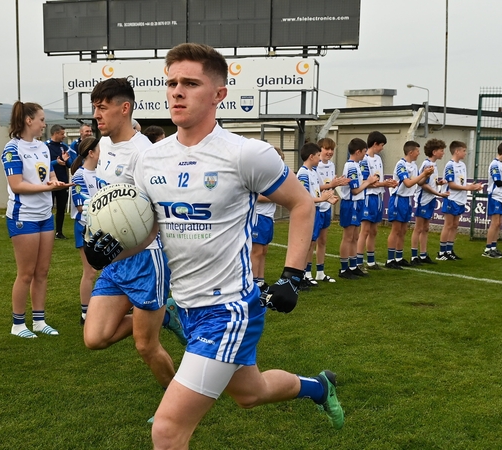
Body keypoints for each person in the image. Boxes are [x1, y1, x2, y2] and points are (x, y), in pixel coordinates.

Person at [82, 44, 344, 448]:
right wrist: (113, 249)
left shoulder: (246, 154)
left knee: (167, 430)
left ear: (219, 94)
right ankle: (318, 388)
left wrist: (291, 276)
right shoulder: (151, 160)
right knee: (249, 393)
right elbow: (152, 230)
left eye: (190, 83)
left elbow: (301, 203)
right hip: (185, 306)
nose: (176, 92)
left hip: (228, 309)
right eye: (171, 83)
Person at [81, 77, 185, 392]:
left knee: (145, 345)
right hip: (116, 259)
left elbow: (154, 218)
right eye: (95, 108)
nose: (97, 115)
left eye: (102, 108)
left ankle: (175, 401)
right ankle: (164, 314)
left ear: (124, 108)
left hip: (143, 260)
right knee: (95, 338)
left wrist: (117, 249)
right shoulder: (106, 144)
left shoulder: (145, 153)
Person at [2, 101, 70, 338]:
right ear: (28, 120)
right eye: (41, 119)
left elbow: (49, 175)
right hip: (24, 217)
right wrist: (46, 187)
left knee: (42, 271)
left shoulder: (42, 147)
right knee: (26, 273)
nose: (44, 123)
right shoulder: (11, 149)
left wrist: (55, 183)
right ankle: (18, 324)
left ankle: (39, 321)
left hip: (44, 215)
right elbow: (17, 185)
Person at [385, 141, 435, 269]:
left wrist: (426, 175)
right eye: (417, 151)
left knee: (403, 230)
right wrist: (423, 174)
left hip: (407, 199)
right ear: (411, 152)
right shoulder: (401, 164)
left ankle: (399, 257)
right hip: (398, 199)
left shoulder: (413, 165)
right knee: (396, 230)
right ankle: (390, 260)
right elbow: (407, 183)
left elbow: (418, 182)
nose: (419, 153)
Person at [69, 136, 101, 325]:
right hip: (85, 227)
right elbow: (81, 207)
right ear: (91, 153)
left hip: (103, 227)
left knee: (108, 270)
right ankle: (85, 313)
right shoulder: (79, 176)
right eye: (99, 149)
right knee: (89, 271)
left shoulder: (102, 172)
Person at [297, 142, 337, 286]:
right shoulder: (303, 173)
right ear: (311, 156)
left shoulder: (312, 172)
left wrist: (328, 198)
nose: (320, 158)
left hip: (317, 210)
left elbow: (315, 192)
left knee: (313, 242)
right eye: (318, 155)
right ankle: (301, 275)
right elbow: (303, 196)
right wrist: (321, 199)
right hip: (309, 211)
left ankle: (309, 274)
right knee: (307, 244)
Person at [357, 131, 397, 272]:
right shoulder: (364, 160)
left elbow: (378, 180)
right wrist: (384, 184)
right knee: (365, 230)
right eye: (381, 145)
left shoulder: (378, 159)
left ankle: (371, 261)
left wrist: (387, 183)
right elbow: (367, 182)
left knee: (374, 230)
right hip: (368, 197)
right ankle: (358, 261)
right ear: (375, 144)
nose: (382, 148)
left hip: (379, 197)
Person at [338, 138, 378, 280]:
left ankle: (353, 266)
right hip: (351, 203)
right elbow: (355, 190)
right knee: (348, 237)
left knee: (355, 236)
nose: (364, 154)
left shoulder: (356, 165)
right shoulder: (351, 166)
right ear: (357, 151)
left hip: (357, 203)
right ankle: (343, 269)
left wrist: (369, 182)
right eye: (364, 152)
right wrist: (368, 182)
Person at [437, 141, 482, 261]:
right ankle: (441, 252)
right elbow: (451, 185)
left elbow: (461, 183)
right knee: (448, 224)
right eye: (463, 150)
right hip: (451, 198)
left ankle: (449, 250)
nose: (465, 153)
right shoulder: (450, 165)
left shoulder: (462, 165)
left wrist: (473, 186)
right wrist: (468, 188)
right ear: (457, 151)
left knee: (455, 225)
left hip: (461, 199)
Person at [314, 138, 349, 283]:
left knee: (323, 240)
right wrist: (332, 184)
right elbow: (314, 187)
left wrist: (335, 188)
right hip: (315, 206)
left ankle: (320, 272)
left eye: (331, 149)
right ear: (319, 150)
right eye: (326, 149)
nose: (329, 152)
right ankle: (306, 274)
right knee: (311, 242)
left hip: (326, 207)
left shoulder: (332, 165)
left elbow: (330, 186)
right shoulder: (315, 166)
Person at [410, 139, 449, 265]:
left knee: (426, 228)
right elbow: (422, 184)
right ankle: (414, 256)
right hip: (424, 199)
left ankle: (423, 254)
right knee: (418, 228)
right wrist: (439, 193)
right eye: (441, 151)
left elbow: (430, 182)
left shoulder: (434, 164)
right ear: (434, 152)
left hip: (431, 198)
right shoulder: (427, 165)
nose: (443, 153)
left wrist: (438, 183)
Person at [251, 146, 284, 291]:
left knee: (264, 250)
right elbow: (256, 197)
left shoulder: (272, 177)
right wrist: (275, 198)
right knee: (256, 251)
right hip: (258, 216)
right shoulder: (259, 176)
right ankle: (252, 283)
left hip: (268, 217)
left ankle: (260, 280)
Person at [45, 124, 71, 239]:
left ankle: (59, 232)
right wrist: (56, 163)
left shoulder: (64, 147)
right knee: (48, 207)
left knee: (61, 208)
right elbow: (43, 165)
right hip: (49, 183)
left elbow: (69, 164)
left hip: (63, 182)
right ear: (55, 133)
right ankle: (48, 231)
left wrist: (66, 161)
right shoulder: (45, 146)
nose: (64, 136)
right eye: (62, 134)